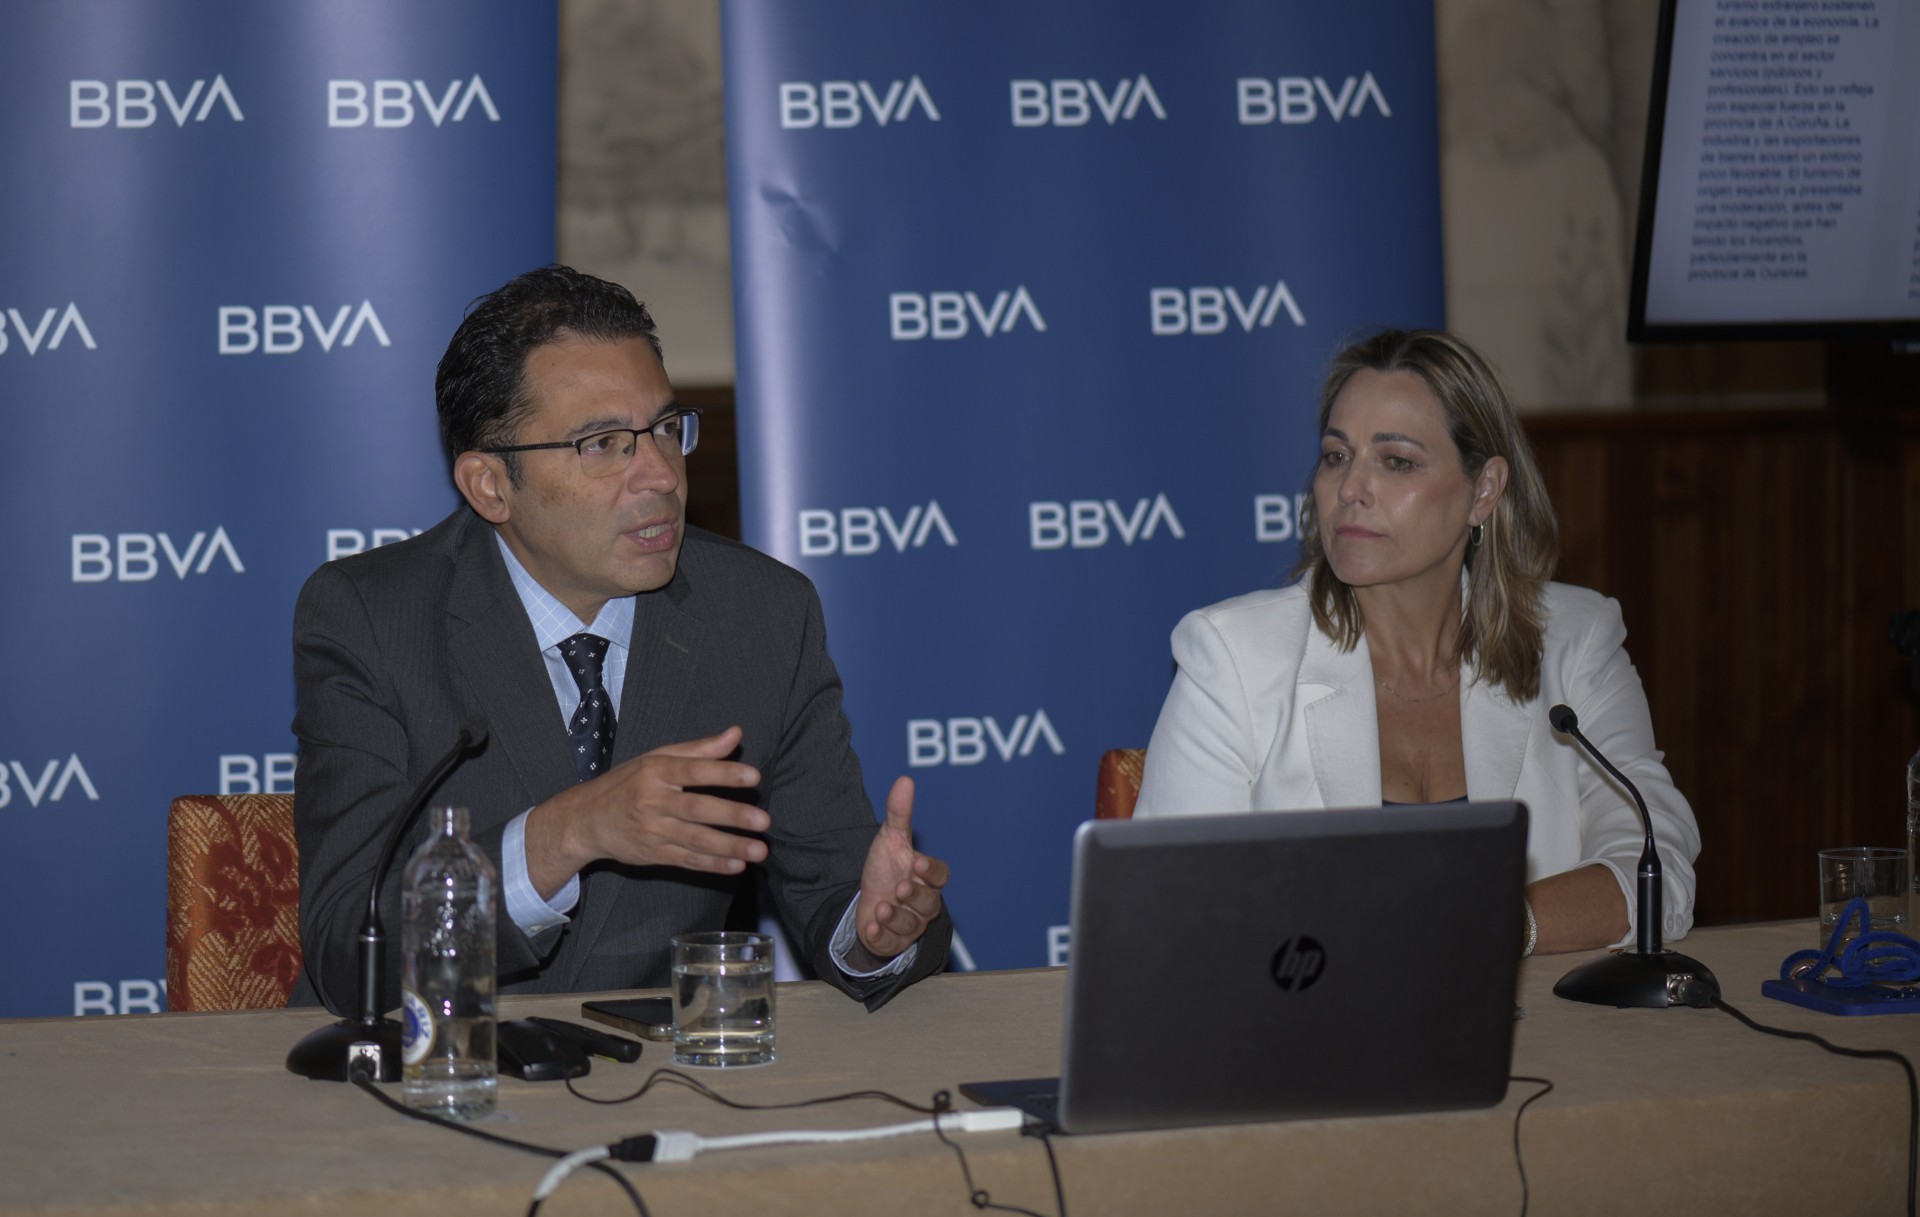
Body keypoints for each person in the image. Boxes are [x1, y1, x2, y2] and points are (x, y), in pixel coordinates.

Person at [290, 265, 951, 1015]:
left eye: (667, 429)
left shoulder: (763, 614)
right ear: (490, 487)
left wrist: (873, 934)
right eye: (604, 443)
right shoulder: (373, 618)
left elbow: (837, 891)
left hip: (658, 1086)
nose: (661, 475)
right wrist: (570, 830)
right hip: (427, 1070)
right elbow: (350, 948)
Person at [1134, 328, 1698, 955]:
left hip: (1542, 1041)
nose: (1351, 489)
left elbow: (1659, 868)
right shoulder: (1233, 657)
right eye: (1336, 455)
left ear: (1483, 491)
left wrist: (1496, 921)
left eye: (1396, 461)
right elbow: (1169, 914)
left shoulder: (1577, 640)